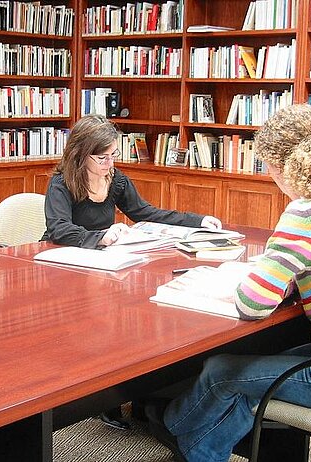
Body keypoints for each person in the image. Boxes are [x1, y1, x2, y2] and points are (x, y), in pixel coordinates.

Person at [145, 104, 311, 462]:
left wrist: (252, 277)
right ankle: (201, 451)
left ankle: (168, 423)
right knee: (248, 378)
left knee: (220, 371)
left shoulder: (305, 215)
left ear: (282, 167)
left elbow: (252, 305)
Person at [42, 114, 222, 429]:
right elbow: (58, 229)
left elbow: (144, 212)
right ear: (81, 154)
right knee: (88, 326)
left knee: (122, 321)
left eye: (113, 155)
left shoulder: (116, 179)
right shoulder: (61, 182)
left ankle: (117, 393)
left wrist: (197, 221)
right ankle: (94, 396)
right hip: (64, 266)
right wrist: (99, 237)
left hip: (104, 265)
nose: (109, 163)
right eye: (102, 157)